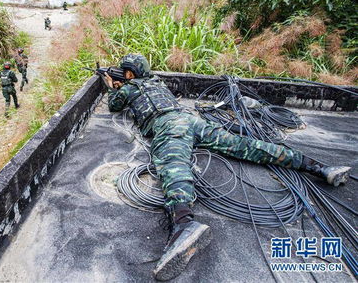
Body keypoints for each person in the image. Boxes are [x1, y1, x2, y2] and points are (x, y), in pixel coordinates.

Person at [105, 54, 351, 281]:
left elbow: (114, 105)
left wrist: (111, 86)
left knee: (173, 163)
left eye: (125, 72)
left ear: (130, 74)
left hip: (169, 124)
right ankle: (319, 168)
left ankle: (183, 223)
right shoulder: (157, 83)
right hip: (191, 120)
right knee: (244, 145)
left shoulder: (129, 88)